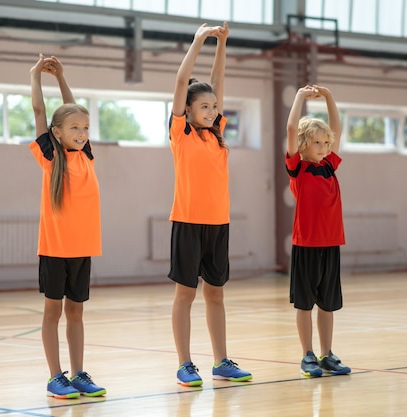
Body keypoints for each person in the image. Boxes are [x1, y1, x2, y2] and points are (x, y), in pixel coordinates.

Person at [168, 22, 252, 387]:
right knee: (186, 293)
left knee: (215, 293)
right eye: (203, 106)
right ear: (187, 109)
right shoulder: (181, 133)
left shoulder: (216, 134)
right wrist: (199, 40)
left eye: (214, 106)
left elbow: (217, 82)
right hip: (188, 221)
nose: (211, 109)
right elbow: (181, 79)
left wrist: (222, 45)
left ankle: (221, 362)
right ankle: (185, 364)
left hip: (219, 223)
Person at [29, 53, 106, 398]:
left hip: (82, 249)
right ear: (57, 133)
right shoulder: (51, 156)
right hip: (55, 249)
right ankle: (54, 376)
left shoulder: (85, 154)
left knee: (76, 312)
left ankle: (78, 374)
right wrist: (36, 78)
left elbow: (71, 107)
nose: (81, 132)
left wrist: (62, 77)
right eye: (74, 128)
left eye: (85, 128)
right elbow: (40, 113)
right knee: (53, 311)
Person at [285, 84, 352, 378]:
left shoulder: (329, 166)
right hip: (306, 246)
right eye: (317, 143)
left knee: (328, 304)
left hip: (330, 245)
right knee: (305, 303)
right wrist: (300, 97)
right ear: (302, 145)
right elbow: (290, 127)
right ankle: (307, 355)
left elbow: (336, 126)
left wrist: (329, 97)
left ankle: (327, 354)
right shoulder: (298, 169)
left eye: (326, 143)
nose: (324, 147)